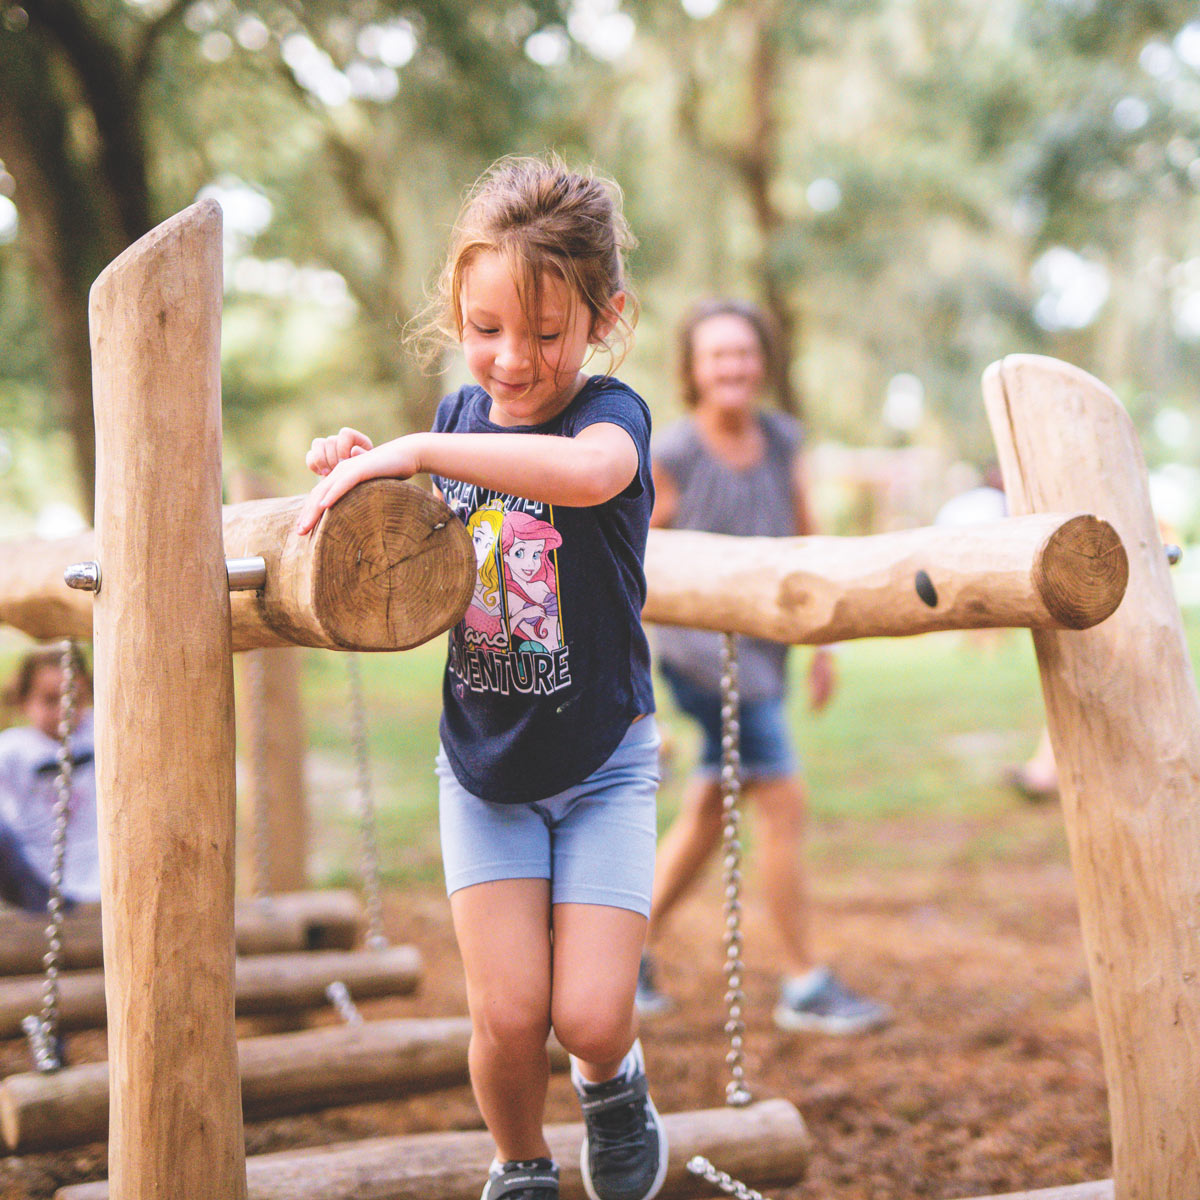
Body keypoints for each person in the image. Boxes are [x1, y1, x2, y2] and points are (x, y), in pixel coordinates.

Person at [296, 156, 667, 1200]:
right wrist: (369, 465)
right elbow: (413, 535)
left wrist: (419, 446)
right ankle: (521, 1164)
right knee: (508, 1018)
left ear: (605, 317)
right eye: (486, 328)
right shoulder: (457, 424)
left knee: (589, 1016)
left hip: (602, 762)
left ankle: (616, 1082)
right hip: (485, 769)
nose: (513, 360)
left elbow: (592, 476)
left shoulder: (612, 416)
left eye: (546, 334)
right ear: (458, 311)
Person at [637, 298, 890, 1036]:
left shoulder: (783, 439)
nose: (734, 367)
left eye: (744, 353)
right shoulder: (675, 452)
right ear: (693, 369)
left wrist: (823, 642)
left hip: (765, 652)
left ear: (763, 362)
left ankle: (626, 953)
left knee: (713, 809)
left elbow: (806, 534)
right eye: (718, 355)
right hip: (702, 656)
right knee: (782, 802)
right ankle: (806, 981)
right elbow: (639, 563)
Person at [0, 645, 99, 913]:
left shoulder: (101, 730)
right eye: (50, 700)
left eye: (73, 700)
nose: (63, 713)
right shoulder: (12, 750)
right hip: (38, 883)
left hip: (102, 879)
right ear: (23, 701)